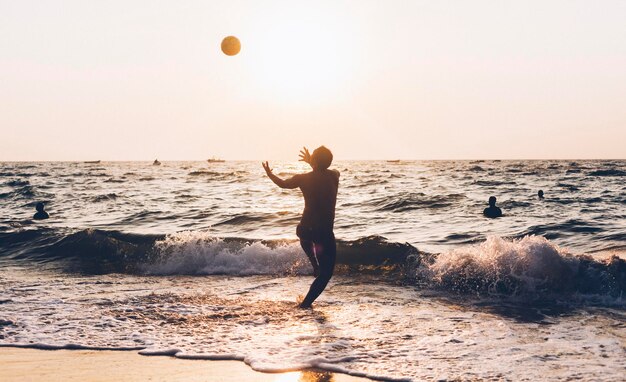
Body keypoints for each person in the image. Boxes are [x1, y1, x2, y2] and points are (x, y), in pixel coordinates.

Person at [262, 146, 340, 308]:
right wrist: (313, 162)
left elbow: (283, 184)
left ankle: (314, 263)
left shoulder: (303, 178)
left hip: (304, 229)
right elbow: (323, 171)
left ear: (314, 161)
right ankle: (306, 304)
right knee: (326, 275)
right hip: (323, 232)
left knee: (305, 237)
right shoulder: (334, 176)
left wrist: (270, 174)